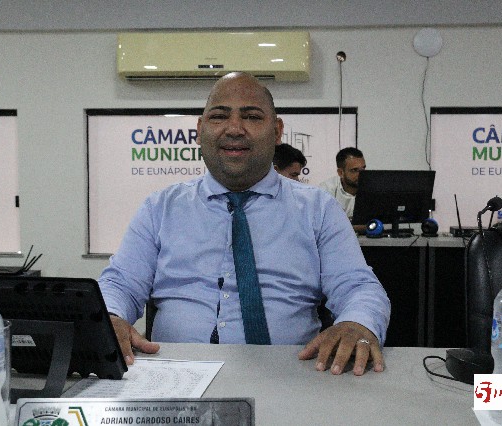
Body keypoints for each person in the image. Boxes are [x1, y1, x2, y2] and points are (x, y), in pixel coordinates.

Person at [98, 72, 390, 376]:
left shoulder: (319, 209)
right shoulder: (160, 208)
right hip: (176, 376)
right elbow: (121, 283)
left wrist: (357, 322)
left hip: (292, 376)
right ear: (199, 129)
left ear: (277, 131)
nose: (235, 129)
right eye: (219, 116)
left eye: (251, 117)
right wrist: (111, 317)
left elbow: (357, 286)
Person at [318, 147, 366, 220]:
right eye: (354, 170)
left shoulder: (372, 188)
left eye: (363, 169)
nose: (361, 175)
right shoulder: (326, 190)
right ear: (340, 173)